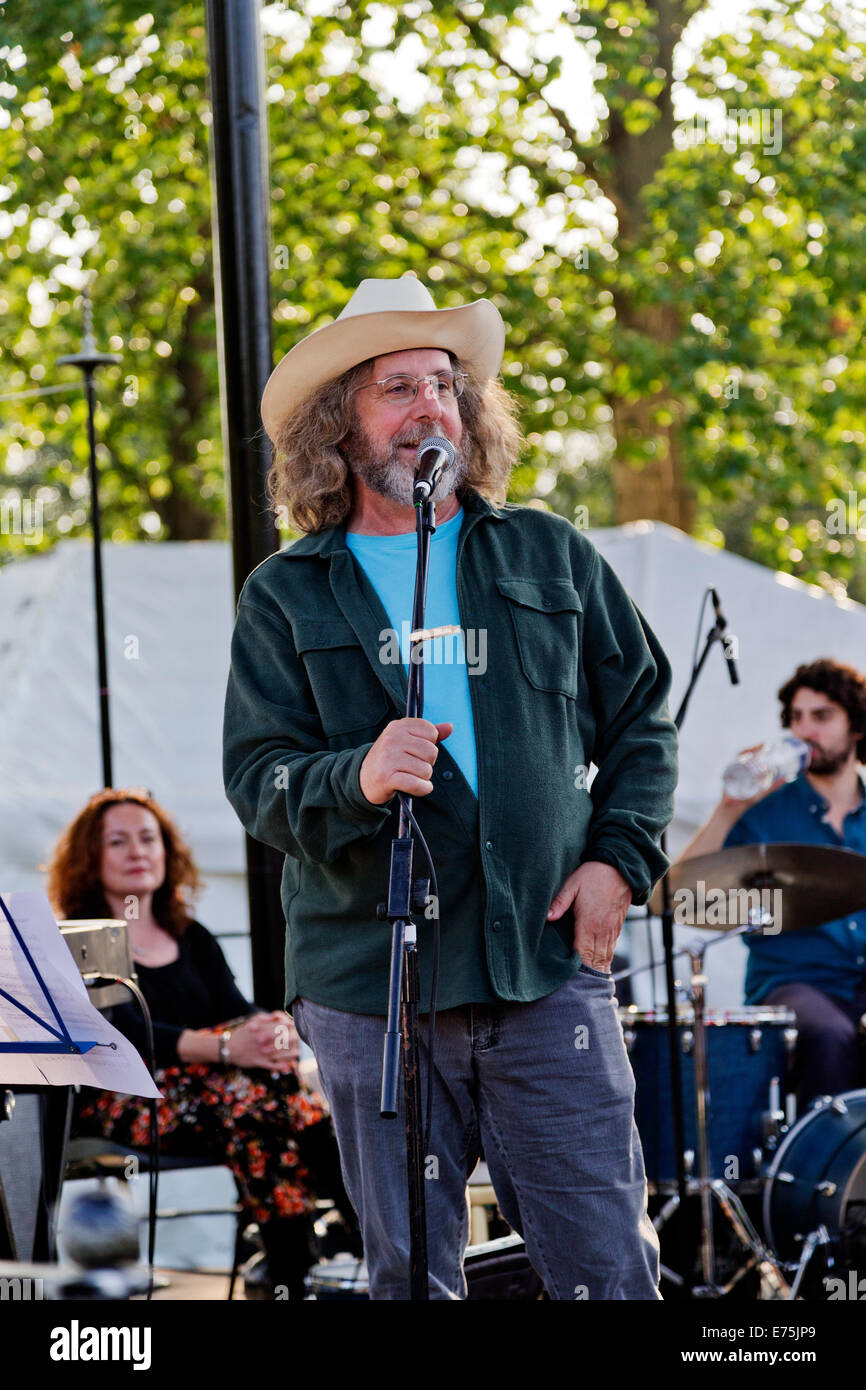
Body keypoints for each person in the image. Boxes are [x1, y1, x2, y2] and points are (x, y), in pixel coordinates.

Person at [222, 275, 679, 1300]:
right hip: (370, 989)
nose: (432, 405)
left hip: (543, 967)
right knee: (411, 1278)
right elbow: (257, 780)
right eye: (398, 386)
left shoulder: (547, 553)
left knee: (606, 1270)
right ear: (338, 424)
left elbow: (642, 718)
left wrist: (618, 858)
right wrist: (356, 774)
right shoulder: (286, 591)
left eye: (444, 383)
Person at [47, 787, 358, 1298]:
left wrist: (272, 1030)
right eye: (118, 842)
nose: (138, 852)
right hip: (126, 1099)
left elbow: (238, 1011)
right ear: (90, 857)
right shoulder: (80, 940)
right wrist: (225, 1048)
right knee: (264, 1098)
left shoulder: (191, 936)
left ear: (167, 852)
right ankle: (358, 1231)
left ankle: (293, 1277)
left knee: (257, 1114)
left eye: (148, 839)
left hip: (226, 1105)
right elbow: (122, 1035)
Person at [677, 658, 866, 1107]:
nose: (804, 730)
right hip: (795, 984)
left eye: (821, 717)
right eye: (796, 718)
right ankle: (827, 1173)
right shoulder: (763, 810)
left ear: (856, 725)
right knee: (828, 1035)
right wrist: (728, 809)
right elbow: (684, 898)